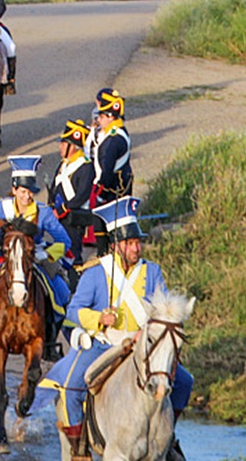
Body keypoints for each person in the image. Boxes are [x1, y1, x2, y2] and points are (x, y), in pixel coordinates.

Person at [36, 196, 192, 460]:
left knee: (185, 382)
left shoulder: (152, 272)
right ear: (117, 245)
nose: (136, 248)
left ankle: (169, 439)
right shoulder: (96, 273)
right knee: (73, 387)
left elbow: (163, 307)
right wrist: (98, 319)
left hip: (143, 344)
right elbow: (73, 313)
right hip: (105, 344)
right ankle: (78, 447)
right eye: (130, 243)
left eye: (138, 242)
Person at [0, 156, 73, 360]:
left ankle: (49, 343)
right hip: (3, 258)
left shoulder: (44, 213)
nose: (27, 196)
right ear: (14, 190)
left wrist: (46, 253)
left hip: (34, 258)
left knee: (63, 294)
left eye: (30, 191)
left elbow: (65, 242)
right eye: (23, 191)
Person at [48, 119, 104, 269]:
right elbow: (55, 187)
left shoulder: (85, 167)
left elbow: (81, 196)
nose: (60, 147)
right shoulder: (64, 163)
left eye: (64, 143)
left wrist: (61, 210)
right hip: (60, 217)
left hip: (73, 217)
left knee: (73, 255)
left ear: (73, 146)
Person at [90, 88, 133, 202]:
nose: (98, 119)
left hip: (113, 193)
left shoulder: (113, 139)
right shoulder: (116, 131)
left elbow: (107, 170)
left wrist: (101, 195)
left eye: (102, 116)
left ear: (111, 117)